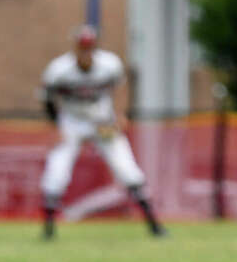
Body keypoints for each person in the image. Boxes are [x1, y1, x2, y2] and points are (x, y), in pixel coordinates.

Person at [39, 24, 165, 239]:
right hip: (72, 121)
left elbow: (122, 87)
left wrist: (121, 113)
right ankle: (49, 229)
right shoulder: (59, 69)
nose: (86, 52)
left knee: (125, 167)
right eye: (82, 47)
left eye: (89, 47)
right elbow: (48, 99)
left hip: (101, 120)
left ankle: (154, 225)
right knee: (57, 169)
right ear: (75, 48)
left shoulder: (109, 64)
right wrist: (55, 127)